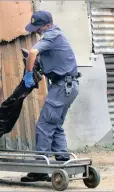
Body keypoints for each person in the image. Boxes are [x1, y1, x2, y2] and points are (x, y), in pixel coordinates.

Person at [20, 10, 80, 182]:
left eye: (38, 27)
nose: (36, 31)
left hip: (62, 86)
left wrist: (28, 74)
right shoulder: (56, 35)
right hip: (67, 86)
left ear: (46, 25)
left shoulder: (51, 35)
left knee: (44, 126)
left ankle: (40, 168)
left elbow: (33, 53)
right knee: (56, 125)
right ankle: (63, 160)